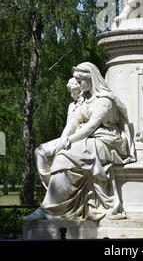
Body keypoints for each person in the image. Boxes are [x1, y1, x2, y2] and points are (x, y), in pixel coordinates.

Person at [25, 62, 136, 221]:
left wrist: (68, 141)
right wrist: (64, 138)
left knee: (63, 157)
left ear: (90, 78)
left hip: (106, 140)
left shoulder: (104, 100)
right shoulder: (84, 98)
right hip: (86, 137)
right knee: (41, 152)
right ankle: (58, 197)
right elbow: (74, 122)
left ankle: (51, 208)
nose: (76, 83)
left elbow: (91, 126)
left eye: (79, 80)